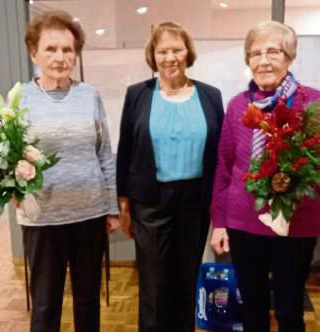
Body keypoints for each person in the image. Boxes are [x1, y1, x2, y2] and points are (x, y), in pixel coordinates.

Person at [210, 21, 320, 332]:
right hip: (244, 223)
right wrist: (219, 222)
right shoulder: (237, 107)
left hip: (296, 226)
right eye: (255, 53)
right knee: (252, 311)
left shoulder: (312, 103)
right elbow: (224, 167)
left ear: (289, 56)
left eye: (273, 51)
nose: (263, 60)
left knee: (288, 311)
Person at [116, 22, 224, 332]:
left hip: (195, 200)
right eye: (162, 51)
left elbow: (220, 152)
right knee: (153, 281)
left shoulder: (210, 96)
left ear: (188, 53)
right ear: (153, 56)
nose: (170, 57)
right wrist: (122, 200)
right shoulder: (137, 94)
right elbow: (126, 148)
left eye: (177, 49)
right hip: (150, 200)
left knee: (187, 276)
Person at [20, 10, 119, 332]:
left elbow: (104, 152)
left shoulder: (88, 95)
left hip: (89, 216)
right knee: (46, 303)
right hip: (42, 218)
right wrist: (14, 192)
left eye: (67, 49)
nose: (60, 57)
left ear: (76, 54)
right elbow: (2, 157)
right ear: (34, 52)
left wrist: (111, 207)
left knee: (88, 299)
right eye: (51, 49)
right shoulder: (20, 98)